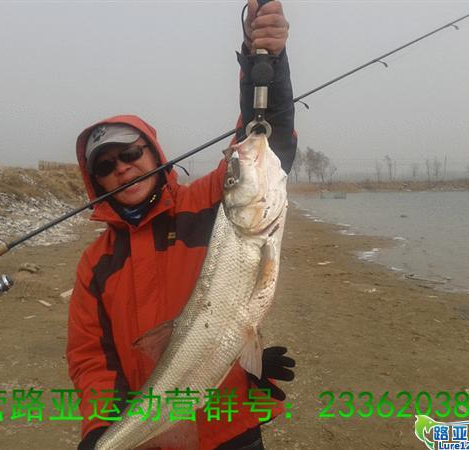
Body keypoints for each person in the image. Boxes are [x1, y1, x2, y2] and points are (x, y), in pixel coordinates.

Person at [67, 1, 297, 448]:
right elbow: (89, 356)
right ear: (97, 182)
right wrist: (99, 430)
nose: (122, 168)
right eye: (106, 166)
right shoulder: (95, 263)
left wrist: (266, 62)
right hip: (147, 434)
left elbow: (266, 137)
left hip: (231, 428)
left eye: (131, 153)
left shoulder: (209, 204)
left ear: (154, 154)